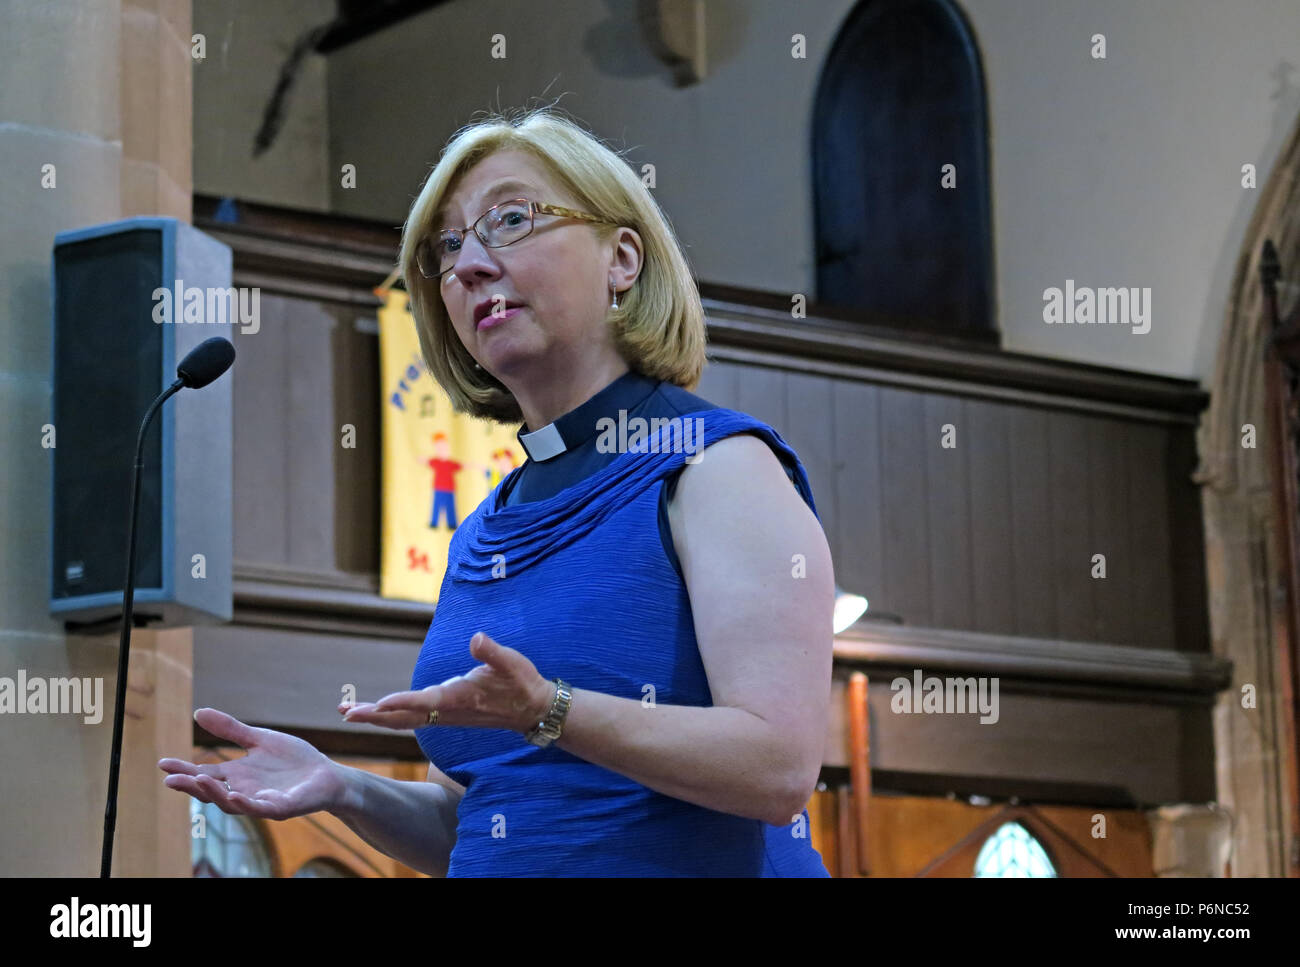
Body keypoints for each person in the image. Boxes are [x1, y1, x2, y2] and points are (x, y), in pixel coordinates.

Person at [159, 105, 835, 877]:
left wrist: (551, 711)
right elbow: (477, 818)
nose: (470, 264)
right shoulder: (485, 529)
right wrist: (343, 787)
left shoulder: (717, 467)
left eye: (510, 219)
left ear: (622, 259)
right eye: (449, 246)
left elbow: (779, 768)